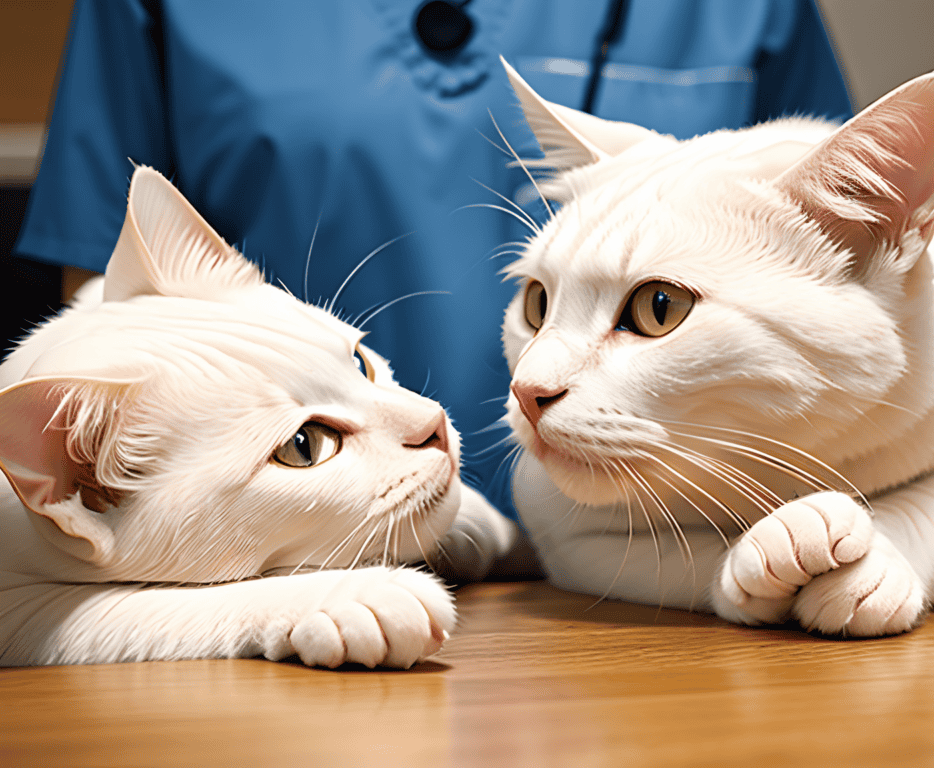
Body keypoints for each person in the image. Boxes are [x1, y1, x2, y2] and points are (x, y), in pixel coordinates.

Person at [15, 0, 852, 523]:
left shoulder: (753, 12)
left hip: (674, 572)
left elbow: (853, 296)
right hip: (303, 563)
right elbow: (104, 342)